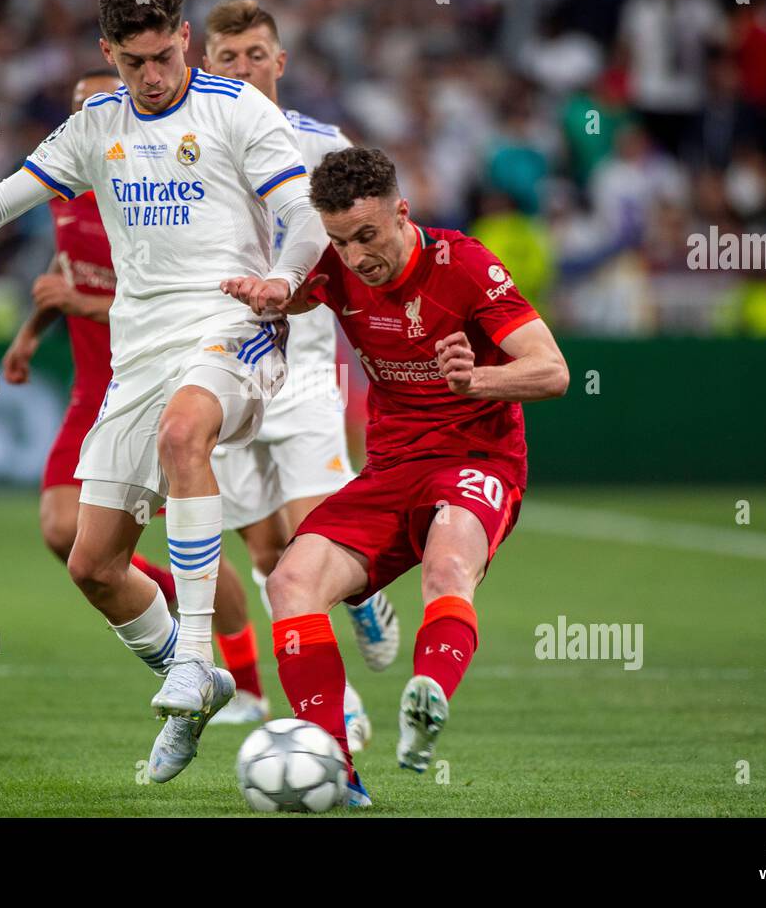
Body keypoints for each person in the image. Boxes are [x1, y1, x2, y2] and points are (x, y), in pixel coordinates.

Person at [0, 0, 328, 783]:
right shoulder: (93, 128)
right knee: (93, 566)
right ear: (107, 52)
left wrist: (282, 279)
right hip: (139, 352)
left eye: (164, 52)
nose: (154, 73)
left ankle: (193, 661)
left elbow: (306, 218)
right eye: (135, 60)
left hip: (238, 327)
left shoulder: (235, 107)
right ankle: (203, 685)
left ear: (184, 35)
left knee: (187, 433)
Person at [224, 147, 569, 806]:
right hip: (392, 469)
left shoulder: (463, 264)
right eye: (339, 241)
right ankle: (337, 770)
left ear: (401, 214)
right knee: (291, 580)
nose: (356, 257)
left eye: (367, 236)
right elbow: (297, 294)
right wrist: (271, 293)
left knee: (448, 567)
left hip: (476, 457)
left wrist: (478, 380)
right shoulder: (335, 266)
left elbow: (552, 371)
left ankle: (429, 691)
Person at [200, 0, 399, 744]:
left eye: (256, 54)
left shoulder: (322, 146)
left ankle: (338, 698)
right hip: (221, 365)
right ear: (207, 65)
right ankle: (342, 640)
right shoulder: (192, 145)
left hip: (303, 363)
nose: (244, 67)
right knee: (264, 551)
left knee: (316, 531)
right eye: (228, 57)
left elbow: (362, 242)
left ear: (279, 62)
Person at [1, 70, 176, 617]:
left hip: (155, 389)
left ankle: (234, 666)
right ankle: (172, 601)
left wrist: (78, 303)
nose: (88, 118)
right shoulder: (65, 186)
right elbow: (67, 263)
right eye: (79, 108)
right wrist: (31, 332)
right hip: (92, 389)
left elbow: (170, 305)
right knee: (61, 529)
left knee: (200, 540)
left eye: (100, 106)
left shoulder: (154, 196)